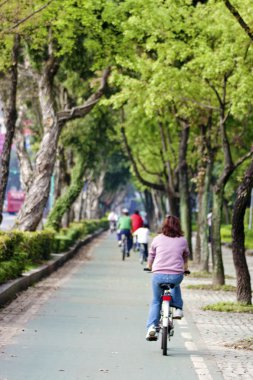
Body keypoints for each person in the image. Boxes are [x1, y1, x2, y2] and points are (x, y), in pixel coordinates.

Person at [145, 215, 190, 341]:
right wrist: (185, 269)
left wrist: (149, 266)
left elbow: (151, 255)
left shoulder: (157, 239)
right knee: (175, 284)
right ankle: (178, 309)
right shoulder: (182, 240)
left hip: (158, 275)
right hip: (176, 275)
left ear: (164, 225)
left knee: (155, 301)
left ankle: (152, 328)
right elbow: (185, 256)